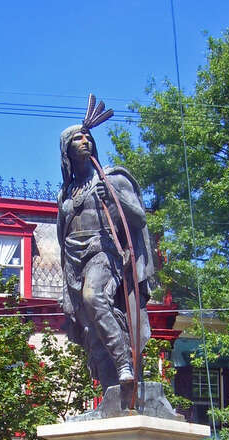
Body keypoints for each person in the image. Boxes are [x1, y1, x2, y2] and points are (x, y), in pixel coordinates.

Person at [57, 117, 155, 393]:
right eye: (78, 138)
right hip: (74, 260)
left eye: (88, 137)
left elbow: (139, 218)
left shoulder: (112, 179)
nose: (85, 141)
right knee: (89, 327)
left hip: (104, 251)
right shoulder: (64, 194)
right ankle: (110, 390)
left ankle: (125, 364)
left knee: (94, 296)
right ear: (65, 149)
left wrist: (113, 196)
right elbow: (61, 237)